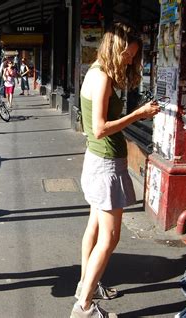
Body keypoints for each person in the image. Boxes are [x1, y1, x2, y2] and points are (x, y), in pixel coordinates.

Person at [71, 22, 160, 318]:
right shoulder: (103, 79)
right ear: (115, 47)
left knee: (94, 230)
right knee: (109, 239)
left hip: (98, 161)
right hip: (105, 163)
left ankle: (87, 287)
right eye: (128, 53)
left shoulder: (94, 71)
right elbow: (98, 128)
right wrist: (139, 114)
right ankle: (83, 307)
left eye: (134, 56)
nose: (130, 60)